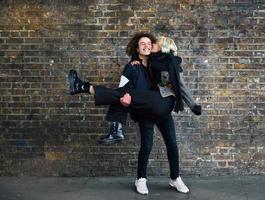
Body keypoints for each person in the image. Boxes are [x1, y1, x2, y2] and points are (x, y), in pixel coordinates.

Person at [68, 33, 201, 194]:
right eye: (142, 44)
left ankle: (175, 178)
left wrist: (192, 104)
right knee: (146, 146)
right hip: (145, 111)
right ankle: (141, 179)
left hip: (161, 108)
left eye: (149, 43)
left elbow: (176, 81)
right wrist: (125, 98)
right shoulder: (132, 66)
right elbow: (122, 89)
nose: (147, 46)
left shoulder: (157, 61)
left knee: (172, 144)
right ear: (137, 48)